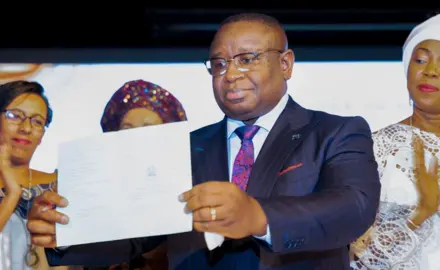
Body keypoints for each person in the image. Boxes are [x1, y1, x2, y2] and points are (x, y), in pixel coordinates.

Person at [26, 13, 381, 270]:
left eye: (247, 59)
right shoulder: (180, 147)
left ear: (286, 63)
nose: (231, 74)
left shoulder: (336, 131)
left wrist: (258, 216)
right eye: (219, 63)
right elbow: (136, 234)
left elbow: (354, 207)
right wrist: (67, 234)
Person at [350, 8, 440, 270]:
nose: (430, 71)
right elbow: (357, 259)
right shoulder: (371, 150)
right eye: (420, 60)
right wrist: (420, 214)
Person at [98, 79, 187, 270]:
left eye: (148, 129)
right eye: (127, 129)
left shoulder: (187, 191)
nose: (136, 138)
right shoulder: (97, 193)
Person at [0, 80, 68, 270]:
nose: (26, 128)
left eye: (37, 121)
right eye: (15, 116)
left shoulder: (57, 187)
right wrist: (12, 195)